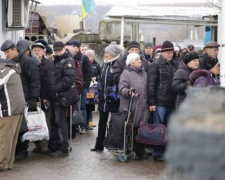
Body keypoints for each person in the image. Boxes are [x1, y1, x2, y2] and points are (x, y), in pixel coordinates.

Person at [1, 40, 40, 160]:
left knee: (22, 128)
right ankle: (16, 151)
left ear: (14, 49)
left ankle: (22, 151)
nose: (6, 55)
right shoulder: (9, 62)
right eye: (4, 53)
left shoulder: (28, 62)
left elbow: (35, 81)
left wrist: (33, 98)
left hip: (25, 99)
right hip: (13, 99)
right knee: (15, 129)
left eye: (8, 52)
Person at [147, 40, 178, 161]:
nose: (170, 54)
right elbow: (151, 85)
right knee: (158, 128)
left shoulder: (176, 65)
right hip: (159, 102)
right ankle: (157, 153)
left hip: (172, 101)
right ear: (163, 53)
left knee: (169, 128)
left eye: (172, 52)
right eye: (168, 52)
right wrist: (152, 102)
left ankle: (167, 152)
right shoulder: (155, 64)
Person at [47, 41, 76, 157]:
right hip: (55, 96)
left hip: (61, 95)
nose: (58, 53)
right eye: (56, 51)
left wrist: (55, 89)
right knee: (55, 121)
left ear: (64, 49)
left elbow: (68, 80)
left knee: (60, 121)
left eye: (60, 50)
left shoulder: (68, 61)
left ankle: (63, 147)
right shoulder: (56, 61)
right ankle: (56, 144)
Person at [91, 44, 120, 152]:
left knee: (114, 122)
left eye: (107, 53)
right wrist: (99, 91)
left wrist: (112, 91)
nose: (105, 54)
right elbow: (101, 79)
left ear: (112, 54)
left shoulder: (118, 64)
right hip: (103, 98)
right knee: (102, 121)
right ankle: (99, 145)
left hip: (113, 99)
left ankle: (113, 145)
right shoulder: (104, 64)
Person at [119, 52, 148, 159]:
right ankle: (134, 149)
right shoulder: (126, 73)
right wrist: (128, 92)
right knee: (133, 127)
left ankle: (140, 149)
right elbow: (122, 87)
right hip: (132, 104)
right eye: (136, 59)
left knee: (141, 126)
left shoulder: (144, 73)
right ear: (131, 62)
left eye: (139, 59)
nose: (139, 61)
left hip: (143, 104)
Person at [0, 59, 26, 172]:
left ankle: (2, 164)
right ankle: (8, 163)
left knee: (4, 138)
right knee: (10, 139)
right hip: (16, 109)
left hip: (9, 109)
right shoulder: (10, 69)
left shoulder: (4, 70)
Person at [31, 42, 53, 153]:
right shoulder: (30, 62)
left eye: (39, 50)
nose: (36, 52)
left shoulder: (49, 64)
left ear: (43, 51)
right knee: (35, 122)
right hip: (34, 98)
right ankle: (37, 144)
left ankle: (45, 145)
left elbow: (50, 82)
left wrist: (47, 97)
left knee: (45, 122)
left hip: (45, 98)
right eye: (34, 50)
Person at [69, 40, 92, 133]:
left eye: (75, 46)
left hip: (81, 86)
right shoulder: (68, 57)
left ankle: (82, 124)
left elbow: (88, 72)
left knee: (82, 106)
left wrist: (85, 84)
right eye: (71, 46)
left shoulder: (84, 58)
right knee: (72, 106)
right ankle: (73, 125)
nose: (73, 48)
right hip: (70, 87)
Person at [86, 49, 100, 128]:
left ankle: (89, 121)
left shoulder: (97, 65)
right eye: (88, 55)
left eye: (90, 56)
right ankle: (85, 122)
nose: (89, 57)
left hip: (93, 88)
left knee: (91, 104)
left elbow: (100, 75)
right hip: (86, 87)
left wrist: (96, 78)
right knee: (85, 105)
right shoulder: (85, 63)